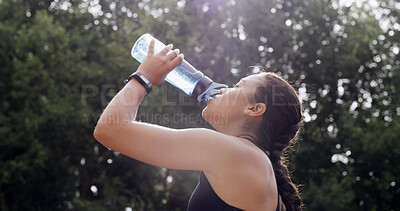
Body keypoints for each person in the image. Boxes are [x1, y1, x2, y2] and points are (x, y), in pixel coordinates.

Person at [94, 39, 303, 211]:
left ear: (254, 109)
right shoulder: (257, 168)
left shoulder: (231, 152)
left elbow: (110, 130)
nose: (222, 89)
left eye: (237, 86)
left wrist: (143, 77)